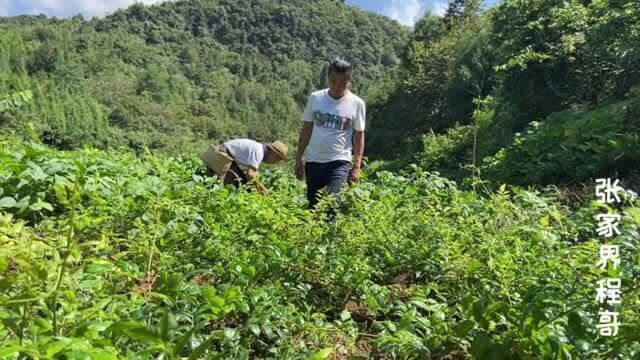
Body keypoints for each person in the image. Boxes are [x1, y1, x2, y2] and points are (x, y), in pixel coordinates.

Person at [294, 58, 366, 215]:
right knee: (314, 207)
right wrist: (299, 158)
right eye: (333, 81)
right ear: (327, 77)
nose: (337, 87)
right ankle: (314, 238)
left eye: (342, 83)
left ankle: (331, 238)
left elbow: (359, 134)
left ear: (349, 80)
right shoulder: (315, 98)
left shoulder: (357, 103)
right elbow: (306, 129)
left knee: (331, 204)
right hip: (313, 161)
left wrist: (357, 166)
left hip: (339, 161)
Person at [204, 139, 288, 195]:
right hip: (222, 155)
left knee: (240, 181)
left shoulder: (259, 149)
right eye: (277, 159)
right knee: (221, 189)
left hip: (225, 155)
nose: (275, 162)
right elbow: (250, 175)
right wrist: (262, 189)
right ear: (273, 154)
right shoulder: (259, 152)